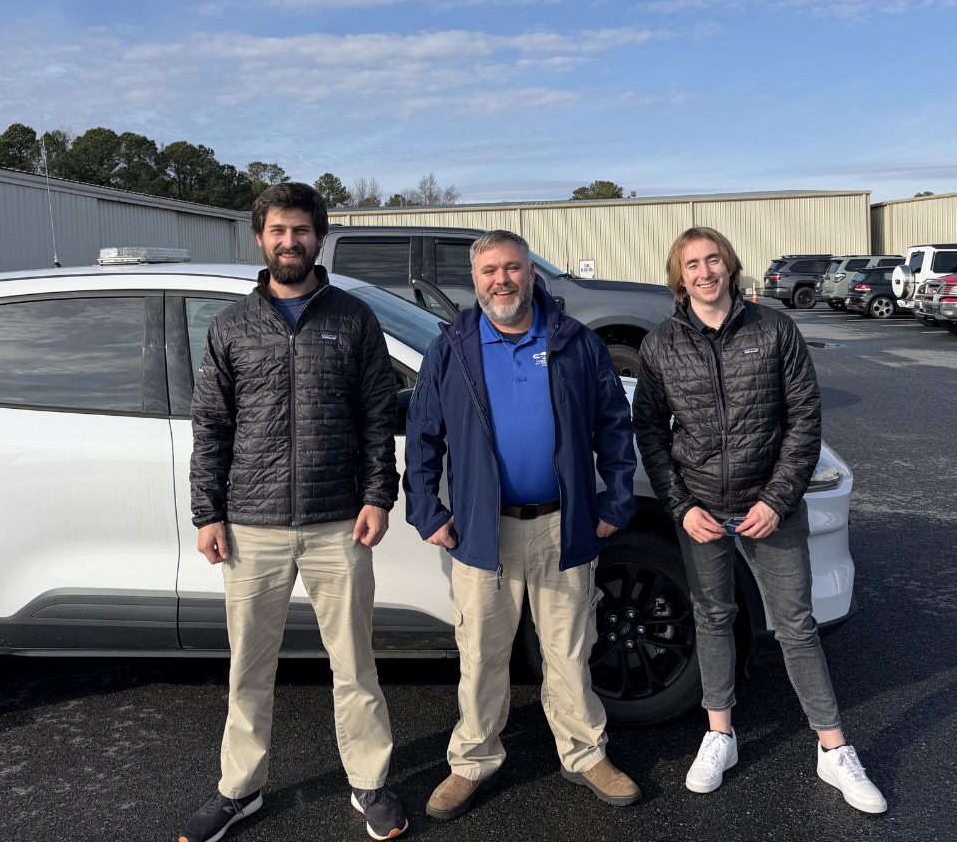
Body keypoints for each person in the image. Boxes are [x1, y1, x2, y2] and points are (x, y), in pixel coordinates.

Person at [179, 182, 407, 842]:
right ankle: (239, 790)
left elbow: (377, 416)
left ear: (319, 236)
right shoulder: (231, 326)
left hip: (340, 522)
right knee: (249, 669)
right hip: (251, 525)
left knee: (355, 665)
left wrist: (376, 496)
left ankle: (369, 782)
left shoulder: (353, 318)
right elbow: (211, 426)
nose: (289, 241)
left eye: (301, 230)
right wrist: (207, 513)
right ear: (260, 238)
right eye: (278, 230)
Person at [631, 226, 887, 815]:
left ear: (730, 265)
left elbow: (804, 419)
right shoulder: (663, 345)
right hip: (700, 510)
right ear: (679, 276)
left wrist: (776, 499)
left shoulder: (773, 328)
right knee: (714, 618)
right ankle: (720, 734)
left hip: (770, 507)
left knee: (796, 626)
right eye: (691, 263)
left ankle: (833, 748)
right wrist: (682, 505)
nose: (704, 271)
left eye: (712, 259)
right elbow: (648, 428)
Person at [404, 229, 641, 819]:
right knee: (481, 653)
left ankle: (586, 754)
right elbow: (423, 436)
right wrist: (426, 510)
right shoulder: (452, 348)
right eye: (489, 271)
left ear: (531, 272)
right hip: (483, 532)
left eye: (512, 268)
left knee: (569, 650)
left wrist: (615, 501)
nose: (501, 280)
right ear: (474, 279)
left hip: (565, 526)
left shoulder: (574, 343)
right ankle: (472, 761)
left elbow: (614, 423)